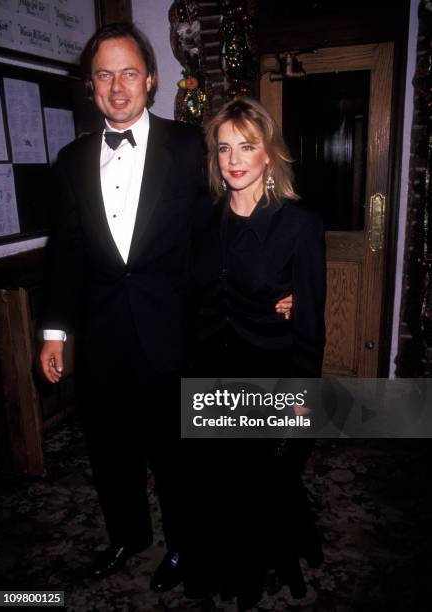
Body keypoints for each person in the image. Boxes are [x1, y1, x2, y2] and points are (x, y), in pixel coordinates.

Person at [39, 22, 212, 591]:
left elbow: (219, 238)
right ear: (90, 86)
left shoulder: (191, 146)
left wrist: (269, 288)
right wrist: (55, 334)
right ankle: (127, 536)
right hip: (102, 340)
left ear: (151, 79)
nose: (117, 86)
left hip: (173, 334)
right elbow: (64, 258)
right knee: (111, 450)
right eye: (104, 74)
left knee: (174, 454)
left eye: (129, 72)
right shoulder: (69, 161)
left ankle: (185, 544)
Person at [184, 97, 326, 610]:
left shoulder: (299, 225)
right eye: (225, 148)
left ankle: (250, 573)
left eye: (247, 146)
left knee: (254, 486)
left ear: (269, 153)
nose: (234, 159)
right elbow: (195, 297)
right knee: (214, 486)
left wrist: (304, 400)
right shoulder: (204, 220)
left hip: (269, 370)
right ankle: (221, 564)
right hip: (210, 372)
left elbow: (311, 324)